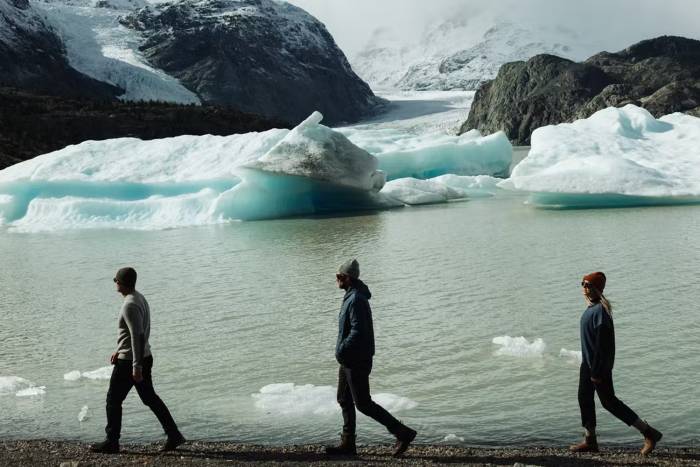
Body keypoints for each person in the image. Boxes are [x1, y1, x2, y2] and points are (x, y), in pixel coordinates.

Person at [326, 259, 417, 458]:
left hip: (356, 359)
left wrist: (342, 349)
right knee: (344, 398)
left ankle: (403, 433)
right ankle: (348, 444)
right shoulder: (352, 295)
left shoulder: (357, 299)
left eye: (339, 276)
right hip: (349, 359)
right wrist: (343, 353)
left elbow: (359, 331)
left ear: (347, 278)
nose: (336, 279)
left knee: (363, 403)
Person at [90, 267, 185, 454]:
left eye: (115, 280)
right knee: (150, 398)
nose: (114, 283)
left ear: (121, 283)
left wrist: (136, 366)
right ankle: (174, 435)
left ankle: (112, 442)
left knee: (113, 399)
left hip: (131, 361)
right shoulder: (138, 297)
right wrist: (119, 350)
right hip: (140, 356)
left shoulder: (130, 305)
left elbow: (138, 336)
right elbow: (132, 333)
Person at [570, 271, 662, 456]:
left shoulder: (600, 312)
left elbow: (602, 347)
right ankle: (590, 440)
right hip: (587, 364)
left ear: (597, 289)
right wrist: (587, 366)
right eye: (583, 284)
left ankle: (649, 432)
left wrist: (597, 371)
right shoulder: (592, 309)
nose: (585, 289)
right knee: (584, 399)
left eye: (588, 285)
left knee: (610, 403)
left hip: (598, 367)